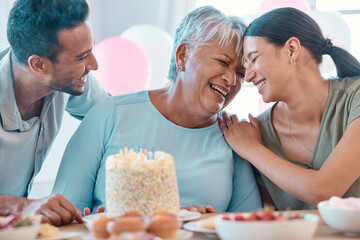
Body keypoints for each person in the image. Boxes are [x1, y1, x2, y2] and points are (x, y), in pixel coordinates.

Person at [52, 6, 261, 214]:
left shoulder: (234, 137)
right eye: (223, 62)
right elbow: (62, 217)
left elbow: (250, 228)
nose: (231, 79)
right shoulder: (110, 114)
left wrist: (213, 223)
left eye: (241, 73)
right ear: (182, 56)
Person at [219, 7, 360, 210]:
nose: (248, 76)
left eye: (254, 58)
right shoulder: (258, 132)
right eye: (245, 65)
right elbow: (270, 219)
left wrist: (252, 149)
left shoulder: (355, 97)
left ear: (292, 49)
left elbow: (325, 190)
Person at [0, 0, 109, 225]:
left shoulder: (67, 80)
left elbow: (116, 117)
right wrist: (21, 205)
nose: (94, 64)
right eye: (81, 57)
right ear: (38, 65)